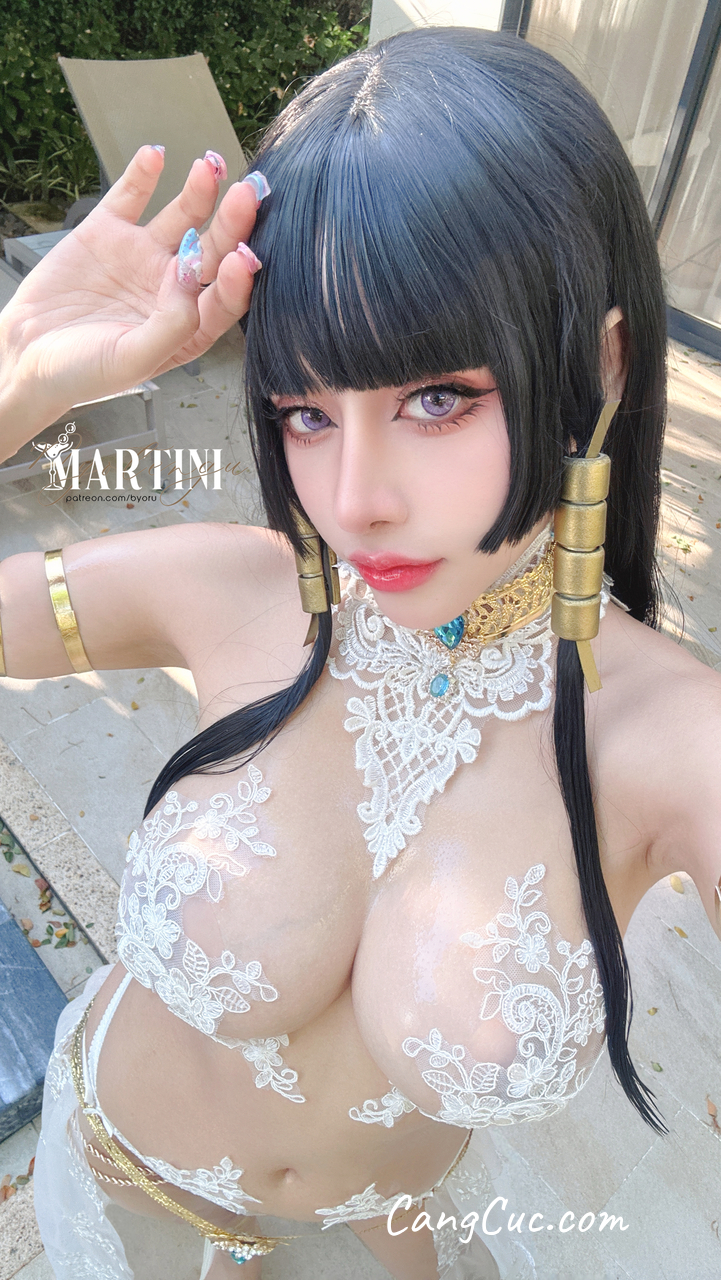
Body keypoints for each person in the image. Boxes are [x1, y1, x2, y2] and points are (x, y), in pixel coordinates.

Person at [0, 26, 719, 1280]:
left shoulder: (675, 742)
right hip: (120, 1193)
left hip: (382, 1248)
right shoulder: (228, 586)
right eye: (304, 410)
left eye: (436, 397)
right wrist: (17, 383)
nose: (352, 498)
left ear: (599, 363)